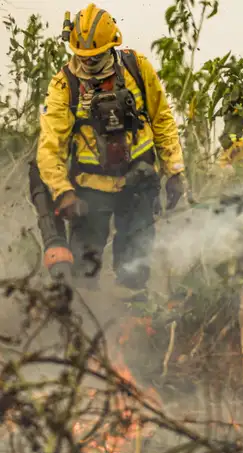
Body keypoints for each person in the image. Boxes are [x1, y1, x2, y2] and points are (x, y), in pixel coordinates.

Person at [36, 3, 186, 299]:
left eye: (96, 56)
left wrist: (175, 171)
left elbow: (163, 120)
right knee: (84, 271)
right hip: (91, 189)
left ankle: (135, 323)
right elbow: (50, 147)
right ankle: (87, 325)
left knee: (134, 268)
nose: (89, 64)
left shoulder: (136, 68)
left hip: (138, 183)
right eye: (83, 57)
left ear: (113, 45)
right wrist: (63, 191)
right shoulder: (65, 84)